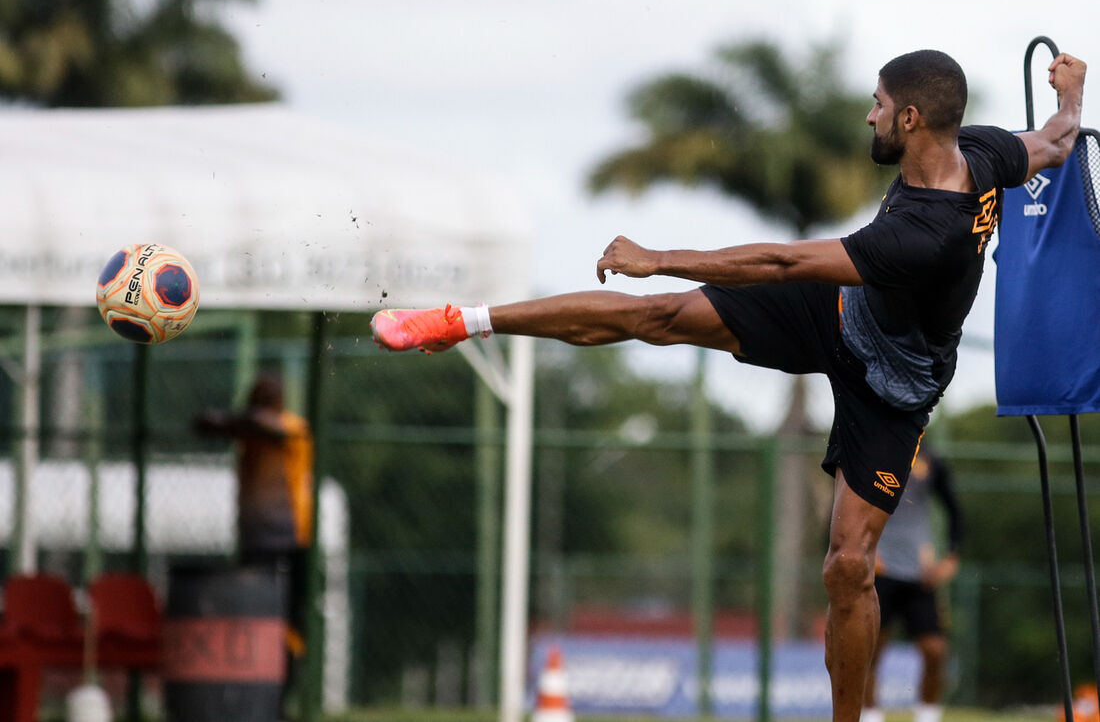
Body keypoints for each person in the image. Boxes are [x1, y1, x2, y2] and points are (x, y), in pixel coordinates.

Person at [369, 49, 1086, 721]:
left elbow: (779, 262)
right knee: (656, 317)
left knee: (846, 567)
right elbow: (1055, 141)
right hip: (840, 313)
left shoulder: (927, 233)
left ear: (910, 120)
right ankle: (460, 321)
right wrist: (1071, 89)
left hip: (895, 386)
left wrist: (661, 255)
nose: (868, 116)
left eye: (877, 105)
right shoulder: (985, 150)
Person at [193, 372, 314, 712]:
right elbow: (205, 425)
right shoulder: (249, 434)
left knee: (288, 621)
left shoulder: (291, 428)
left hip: (290, 540)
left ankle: (281, 700)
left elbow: (266, 429)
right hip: (256, 541)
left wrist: (239, 420)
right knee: (255, 619)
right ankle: (255, 698)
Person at [862, 446, 963, 722]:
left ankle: (927, 715)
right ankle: (870, 715)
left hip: (920, 573)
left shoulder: (931, 459)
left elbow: (954, 507)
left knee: (935, 650)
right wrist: (865, 552)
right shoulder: (872, 451)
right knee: (871, 650)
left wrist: (951, 558)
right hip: (880, 570)